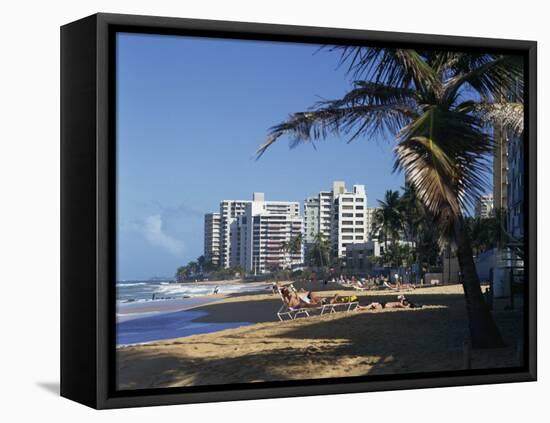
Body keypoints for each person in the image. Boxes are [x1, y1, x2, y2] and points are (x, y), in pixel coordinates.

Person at [355, 294, 422, 311]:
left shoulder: (401, 304)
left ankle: (359, 307)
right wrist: (402, 297)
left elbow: (405, 305)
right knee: (372, 305)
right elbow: (404, 299)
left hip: (384, 305)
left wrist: (410, 305)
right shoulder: (402, 303)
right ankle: (359, 307)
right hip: (384, 304)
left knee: (372, 306)